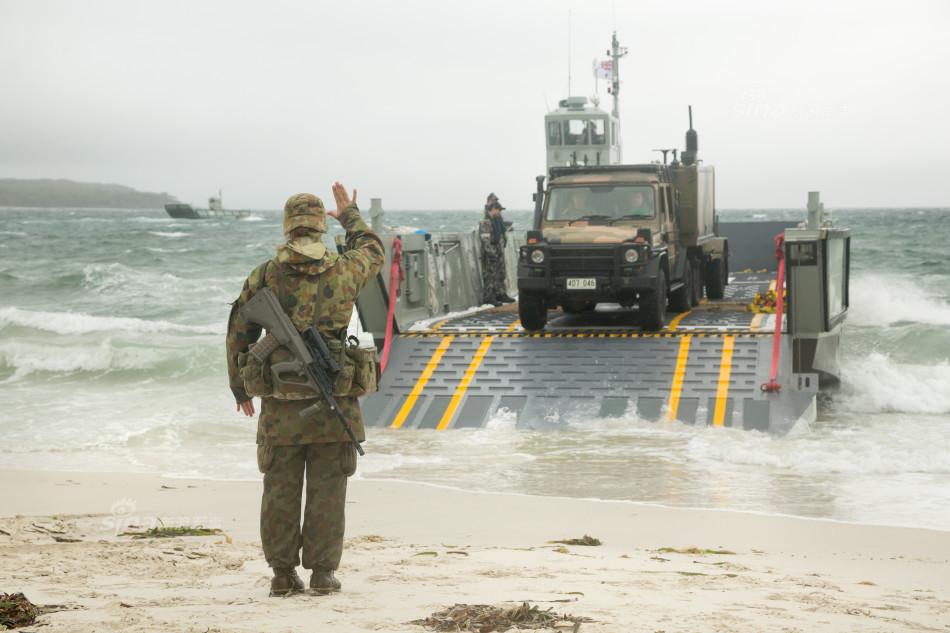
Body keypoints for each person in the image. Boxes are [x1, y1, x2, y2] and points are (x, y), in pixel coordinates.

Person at [226, 183, 384, 597]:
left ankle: (281, 574)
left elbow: (238, 333)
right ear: (319, 226)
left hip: (281, 408)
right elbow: (373, 249)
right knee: (328, 491)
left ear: (287, 228)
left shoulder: (265, 274)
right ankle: (322, 574)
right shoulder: (347, 269)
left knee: (279, 489)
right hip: (336, 405)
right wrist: (349, 214)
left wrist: (239, 388)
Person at [478, 200, 515, 306]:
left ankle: (499, 293)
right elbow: (485, 240)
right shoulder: (485, 222)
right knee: (490, 275)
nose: (499, 212)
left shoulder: (495, 221)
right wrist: (491, 253)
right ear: (493, 209)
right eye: (498, 210)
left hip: (497, 252)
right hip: (490, 254)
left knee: (499, 274)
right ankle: (489, 297)